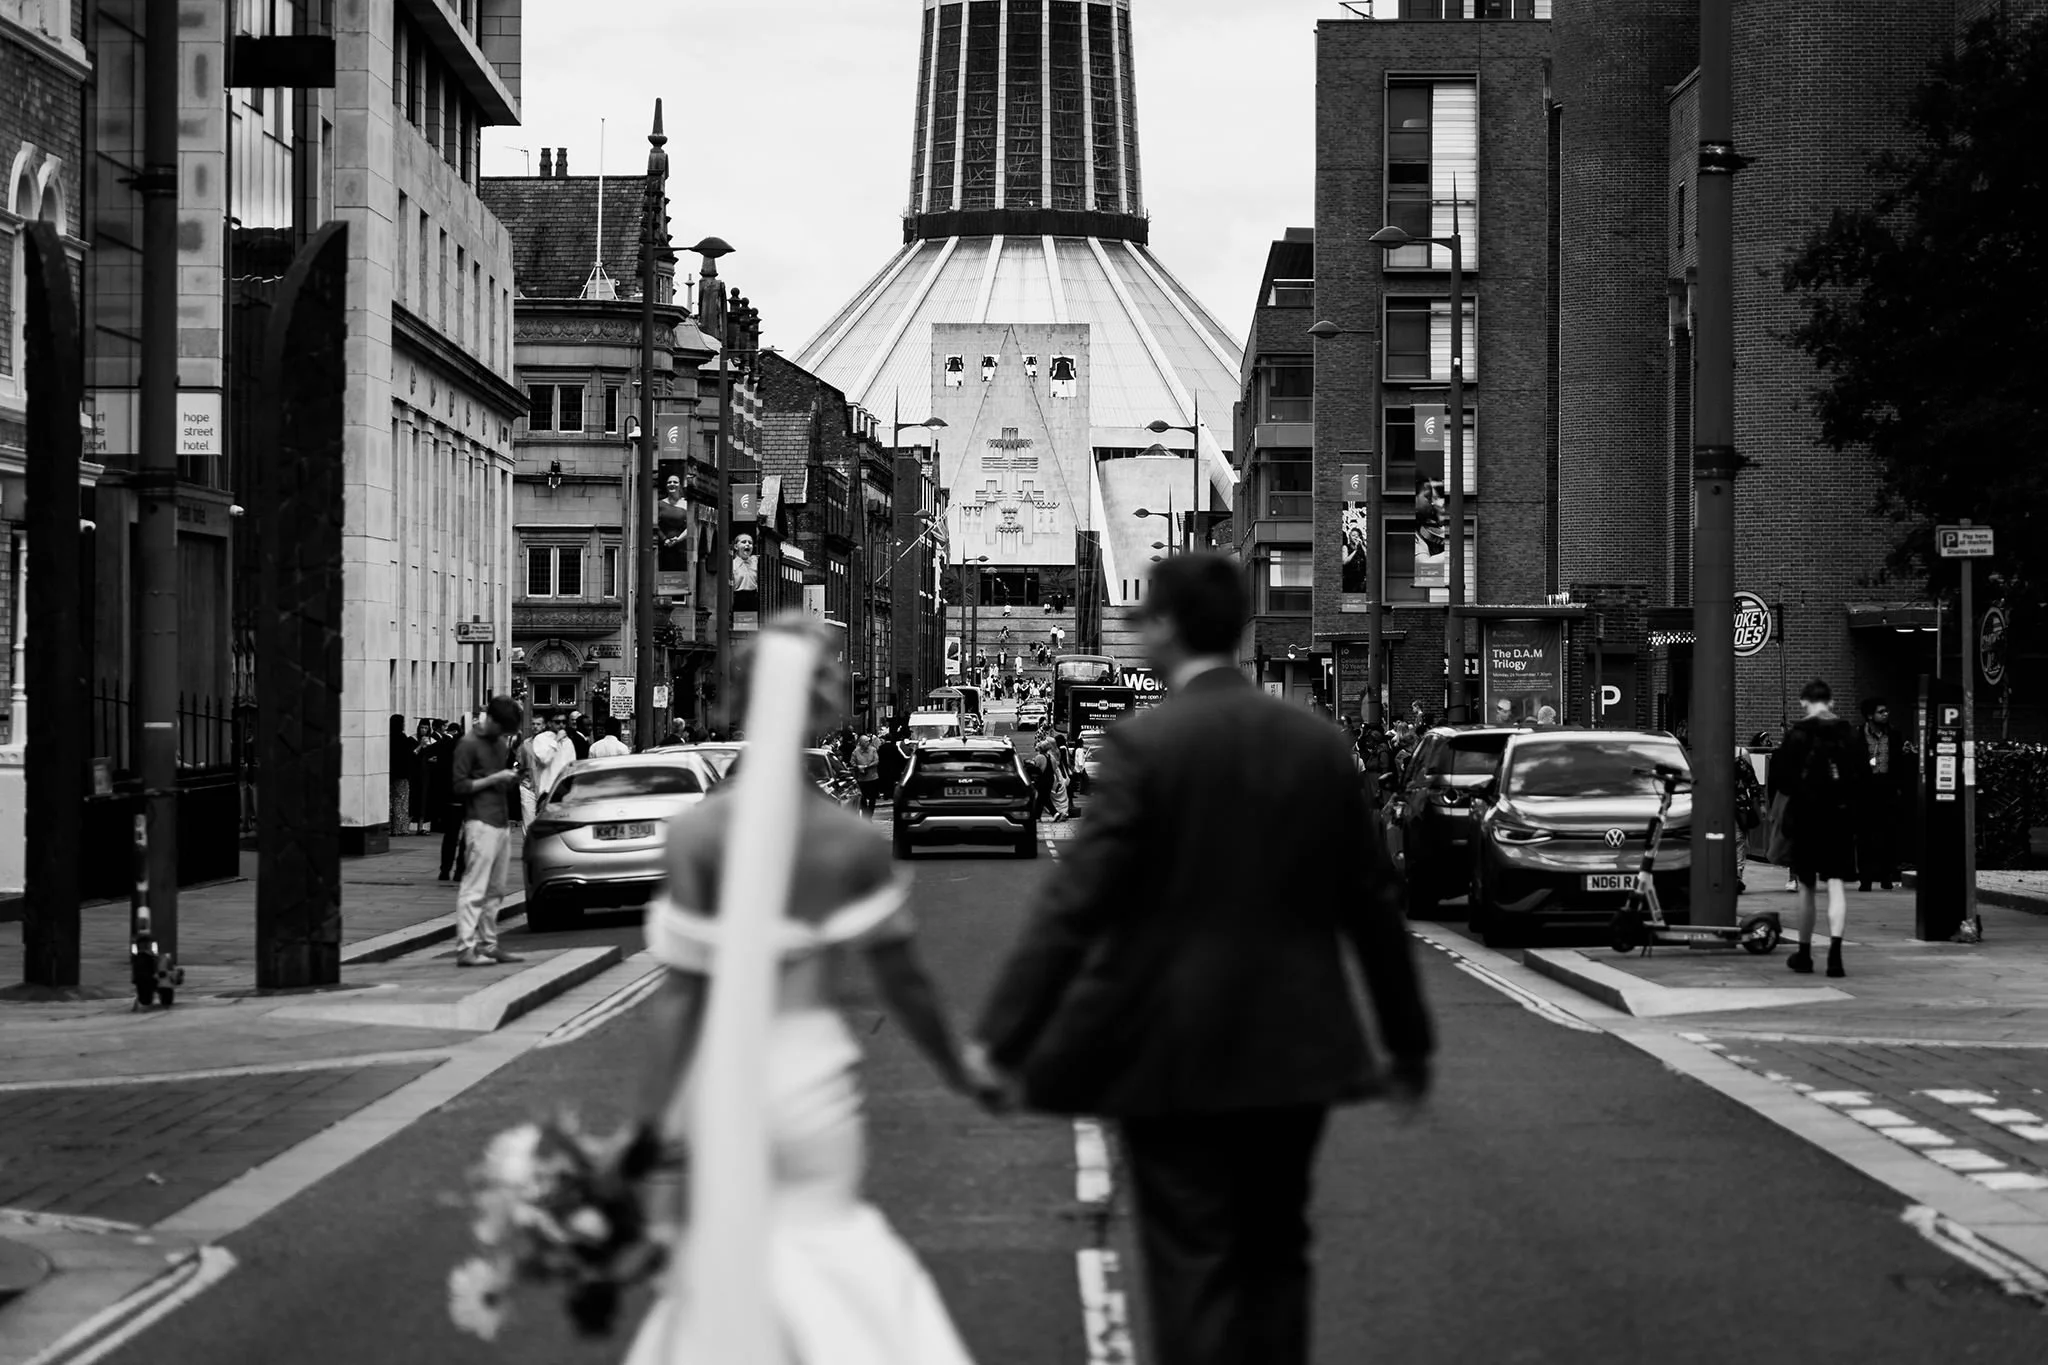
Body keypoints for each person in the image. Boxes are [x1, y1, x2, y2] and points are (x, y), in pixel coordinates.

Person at [973, 553, 1432, 1365]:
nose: (1141, 628)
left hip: (1171, 1058)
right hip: (1296, 1055)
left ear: (1171, 629)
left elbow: (1074, 905)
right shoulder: (1316, 745)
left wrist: (1003, 1035)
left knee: (1190, 1263)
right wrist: (1407, 1042)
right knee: (1275, 1256)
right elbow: (1372, 907)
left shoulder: (1145, 747)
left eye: (1147, 615)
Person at [621, 616, 995, 1363]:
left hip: (723, 1089)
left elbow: (683, 998)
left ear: (737, 704)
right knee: (826, 1256)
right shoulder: (846, 841)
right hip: (808, 1087)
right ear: (820, 709)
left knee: (723, 1276)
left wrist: (648, 1127)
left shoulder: (697, 835)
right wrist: (964, 1067)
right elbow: (906, 981)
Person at [1777, 679, 1868, 978]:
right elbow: (1861, 778)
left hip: (1806, 818)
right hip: (1839, 819)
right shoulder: (1849, 733)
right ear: (1830, 702)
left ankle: (1804, 953)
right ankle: (1835, 956)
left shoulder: (1798, 734)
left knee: (1806, 886)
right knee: (1837, 885)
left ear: (1804, 701)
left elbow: (1785, 782)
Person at [450, 697, 527, 967]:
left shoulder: (499, 742)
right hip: (479, 822)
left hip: (501, 821)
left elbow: (494, 780)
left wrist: (509, 778)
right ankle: (465, 948)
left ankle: (488, 944)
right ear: (491, 719)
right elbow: (459, 787)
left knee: (495, 890)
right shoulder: (468, 744)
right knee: (474, 888)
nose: (506, 734)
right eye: (503, 728)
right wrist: (496, 778)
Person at [1856, 697, 1904, 892]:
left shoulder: (1893, 735)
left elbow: (1899, 763)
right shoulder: (1858, 736)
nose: (1886, 714)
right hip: (1866, 789)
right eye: (1881, 711)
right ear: (1869, 716)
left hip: (1887, 787)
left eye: (1886, 711)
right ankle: (1865, 879)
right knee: (1865, 836)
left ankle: (1886, 876)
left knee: (1888, 834)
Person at [426, 720, 463, 880]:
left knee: (450, 835)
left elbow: (427, 752)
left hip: (451, 795)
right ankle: (460, 871)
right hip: (470, 797)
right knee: (467, 837)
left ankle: (445, 870)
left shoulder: (448, 743)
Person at [388, 715, 414, 836]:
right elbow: (408, 756)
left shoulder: (388, 737)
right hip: (402, 774)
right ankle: (400, 828)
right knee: (401, 800)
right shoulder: (403, 738)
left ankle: (390, 827)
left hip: (390, 773)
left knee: (391, 801)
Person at [851, 732, 883, 817]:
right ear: (861, 743)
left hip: (873, 777)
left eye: (868, 741)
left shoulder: (873, 750)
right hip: (862, 779)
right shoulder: (856, 751)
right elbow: (852, 762)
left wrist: (867, 766)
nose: (868, 743)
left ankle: (870, 815)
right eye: (866, 742)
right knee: (862, 798)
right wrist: (858, 767)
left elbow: (876, 761)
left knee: (873, 798)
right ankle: (866, 815)